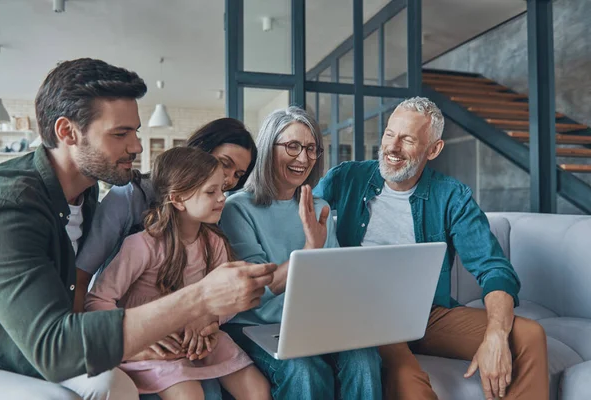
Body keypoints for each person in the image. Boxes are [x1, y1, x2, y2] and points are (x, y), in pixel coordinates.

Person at [0, 58, 275, 400]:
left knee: (116, 385)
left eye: (136, 131)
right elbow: (55, 347)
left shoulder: (88, 189)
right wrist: (199, 298)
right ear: (67, 132)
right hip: (10, 355)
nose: (138, 146)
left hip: (64, 343)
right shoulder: (11, 206)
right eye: (120, 133)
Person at [313, 96, 549, 400]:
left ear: (433, 149)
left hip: (426, 314)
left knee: (528, 336)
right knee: (408, 381)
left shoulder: (451, 196)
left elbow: (494, 268)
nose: (392, 147)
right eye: (389, 134)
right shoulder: (346, 178)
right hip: (367, 315)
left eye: (407, 139)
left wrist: (496, 335)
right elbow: (295, 217)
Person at [220, 106, 383, 400]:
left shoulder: (318, 207)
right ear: (269, 148)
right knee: (303, 369)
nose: (303, 158)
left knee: (365, 358)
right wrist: (310, 248)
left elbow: (331, 280)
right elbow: (259, 289)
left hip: (311, 323)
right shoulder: (237, 208)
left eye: (311, 149)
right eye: (292, 146)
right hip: (255, 325)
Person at [86, 147, 270, 400]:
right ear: (178, 199)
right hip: (157, 346)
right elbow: (97, 301)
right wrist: (136, 337)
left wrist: (209, 318)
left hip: (202, 340)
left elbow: (230, 301)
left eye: (222, 190)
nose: (222, 198)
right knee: (189, 395)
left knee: (257, 390)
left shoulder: (214, 243)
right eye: (211, 191)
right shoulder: (141, 245)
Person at [73, 118, 257, 312]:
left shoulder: (210, 215)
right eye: (224, 163)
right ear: (198, 150)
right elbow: (82, 277)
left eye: (238, 175)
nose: (229, 179)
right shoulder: (130, 197)